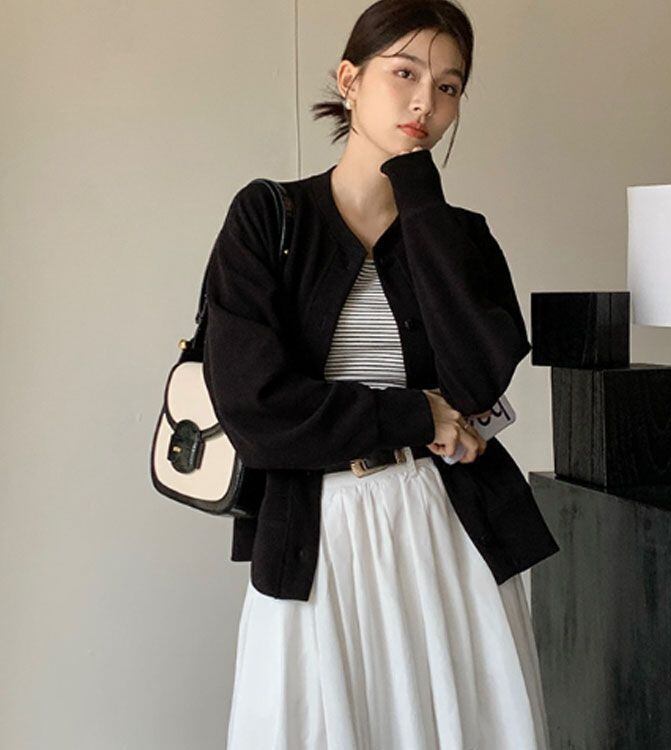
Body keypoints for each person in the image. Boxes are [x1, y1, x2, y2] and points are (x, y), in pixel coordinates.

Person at [203, 1, 559, 747]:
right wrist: (419, 414)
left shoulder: (462, 237)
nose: (426, 101)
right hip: (318, 537)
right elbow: (257, 410)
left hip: (449, 532)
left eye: (449, 86)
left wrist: (420, 197)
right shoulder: (269, 219)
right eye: (404, 73)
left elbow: (478, 378)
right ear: (349, 80)